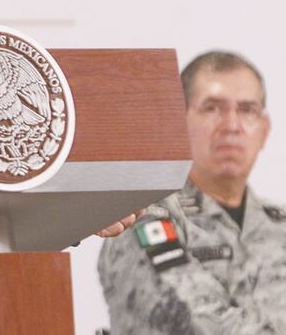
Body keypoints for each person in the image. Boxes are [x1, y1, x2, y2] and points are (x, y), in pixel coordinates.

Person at [98, 50, 286, 334]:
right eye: (212, 108)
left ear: (264, 130)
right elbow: (194, 323)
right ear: (179, 122)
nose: (232, 126)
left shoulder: (279, 224)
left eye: (247, 110)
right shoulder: (142, 215)